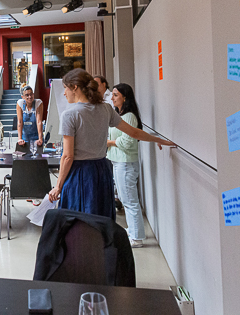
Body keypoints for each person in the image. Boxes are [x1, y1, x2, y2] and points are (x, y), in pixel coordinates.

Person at [47, 69, 174, 218]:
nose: (64, 93)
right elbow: (134, 132)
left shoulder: (70, 115)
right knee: (101, 217)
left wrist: (58, 186)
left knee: (79, 219)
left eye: (65, 88)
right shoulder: (105, 108)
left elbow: (68, 156)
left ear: (75, 87)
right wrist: (158, 139)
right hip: (102, 169)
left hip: (79, 172)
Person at [107, 83, 145, 248]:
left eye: (115, 95)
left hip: (126, 163)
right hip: (119, 161)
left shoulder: (129, 117)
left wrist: (109, 142)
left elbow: (127, 141)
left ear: (125, 97)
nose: (112, 98)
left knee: (130, 200)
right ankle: (133, 230)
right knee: (125, 198)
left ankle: (136, 238)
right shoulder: (119, 115)